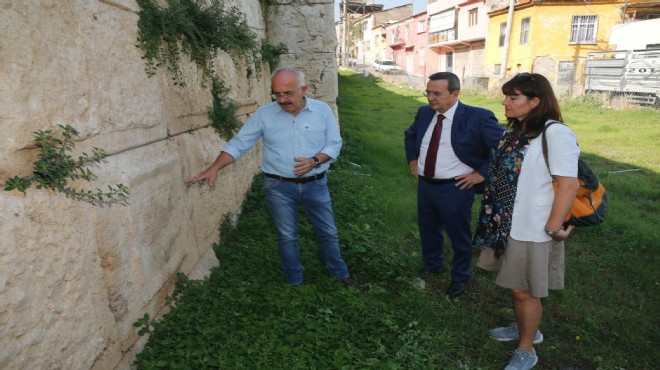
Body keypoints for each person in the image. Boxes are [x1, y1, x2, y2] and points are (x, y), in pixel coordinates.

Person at [185, 67, 358, 288]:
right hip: (278, 187)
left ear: (303, 90)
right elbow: (240, 144)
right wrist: (214, 167)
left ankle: (339, 273)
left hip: (316, 185)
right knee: (287, 236)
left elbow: (334, 144)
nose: (282, 99)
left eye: (288, 93)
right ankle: (294, 280)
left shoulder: (322, 111)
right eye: (277, 94)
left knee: (328, 231)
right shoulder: (265, 114)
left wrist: (315, 160)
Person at [473, 73, 580, 370]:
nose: (504, 102)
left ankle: (527, 347)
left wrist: (553, 226)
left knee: (525, 289)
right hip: (504, 221)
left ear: (536, 102)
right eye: (506, 95)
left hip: (533, 225)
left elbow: (569, 184)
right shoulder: (515, 131)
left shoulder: (555, 133)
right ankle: (525, 327)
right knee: (517, 284)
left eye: (513, 97)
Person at [404, 72, 504, 298]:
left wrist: (481, 174)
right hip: (426, 186)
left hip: (456, 188)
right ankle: (433, 264)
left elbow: (506, 148)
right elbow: (410, 136)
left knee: (458, 235)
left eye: (437, 94)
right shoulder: (424, 113)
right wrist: (413, 162)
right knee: (428, 228)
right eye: (428, 92)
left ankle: (460, 276)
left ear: (455, 93)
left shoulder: (477, 117)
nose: (431, 98)